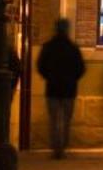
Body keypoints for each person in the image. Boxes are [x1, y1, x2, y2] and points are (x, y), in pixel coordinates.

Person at [36, 18, 86, 157]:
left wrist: (49, 77)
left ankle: (55, 147)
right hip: (69, 90)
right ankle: (62, 147)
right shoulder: (73, 48)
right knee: (65, 120)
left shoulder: (48, 47)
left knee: (53, 120)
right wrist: (72, 79)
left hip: (52, 88)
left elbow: (40, 66)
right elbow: (81, 68)